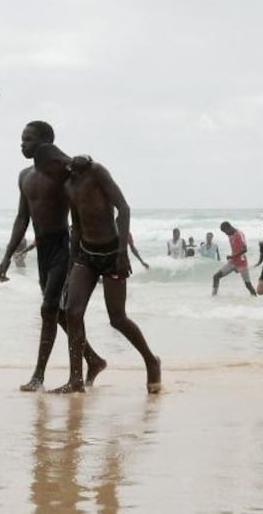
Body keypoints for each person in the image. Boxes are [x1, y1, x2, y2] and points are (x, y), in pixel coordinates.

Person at [31, 144, 161, 394]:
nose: (49, 179)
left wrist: (123, 252)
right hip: (86, 256)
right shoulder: (67, 187)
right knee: (71, 311)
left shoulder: (95, 172)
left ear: (57, 163)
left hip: (113, 254)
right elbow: (77, 227)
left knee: (117, 319)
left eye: (49, 172)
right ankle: (76, 380)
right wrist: (71, 269)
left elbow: (123, 208)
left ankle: (151, 361)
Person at [0, 121, 106, 393]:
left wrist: (86, 159)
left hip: (63, 246)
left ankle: (38, 377)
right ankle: (93, 360)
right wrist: (8, 255)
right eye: (22, 139)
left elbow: (84, 171)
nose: (23, 144)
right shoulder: (24, 176)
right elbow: (22, 218)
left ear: (45, 143)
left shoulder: (61, 175)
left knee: (48, 308)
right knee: (56, 313)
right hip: (42, 250)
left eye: (29, 139)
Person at [213, 222, 256, 296]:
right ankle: (213, 296)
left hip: (241, 263)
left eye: (225, 232)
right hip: (232, 262)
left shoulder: (239, 234)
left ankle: (255, 298)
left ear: (229, 227)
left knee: (248, 285)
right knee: (216, 276)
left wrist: (232, 256)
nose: (225, 234)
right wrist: (232, 257)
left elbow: (244, 249)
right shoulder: (230, 235)